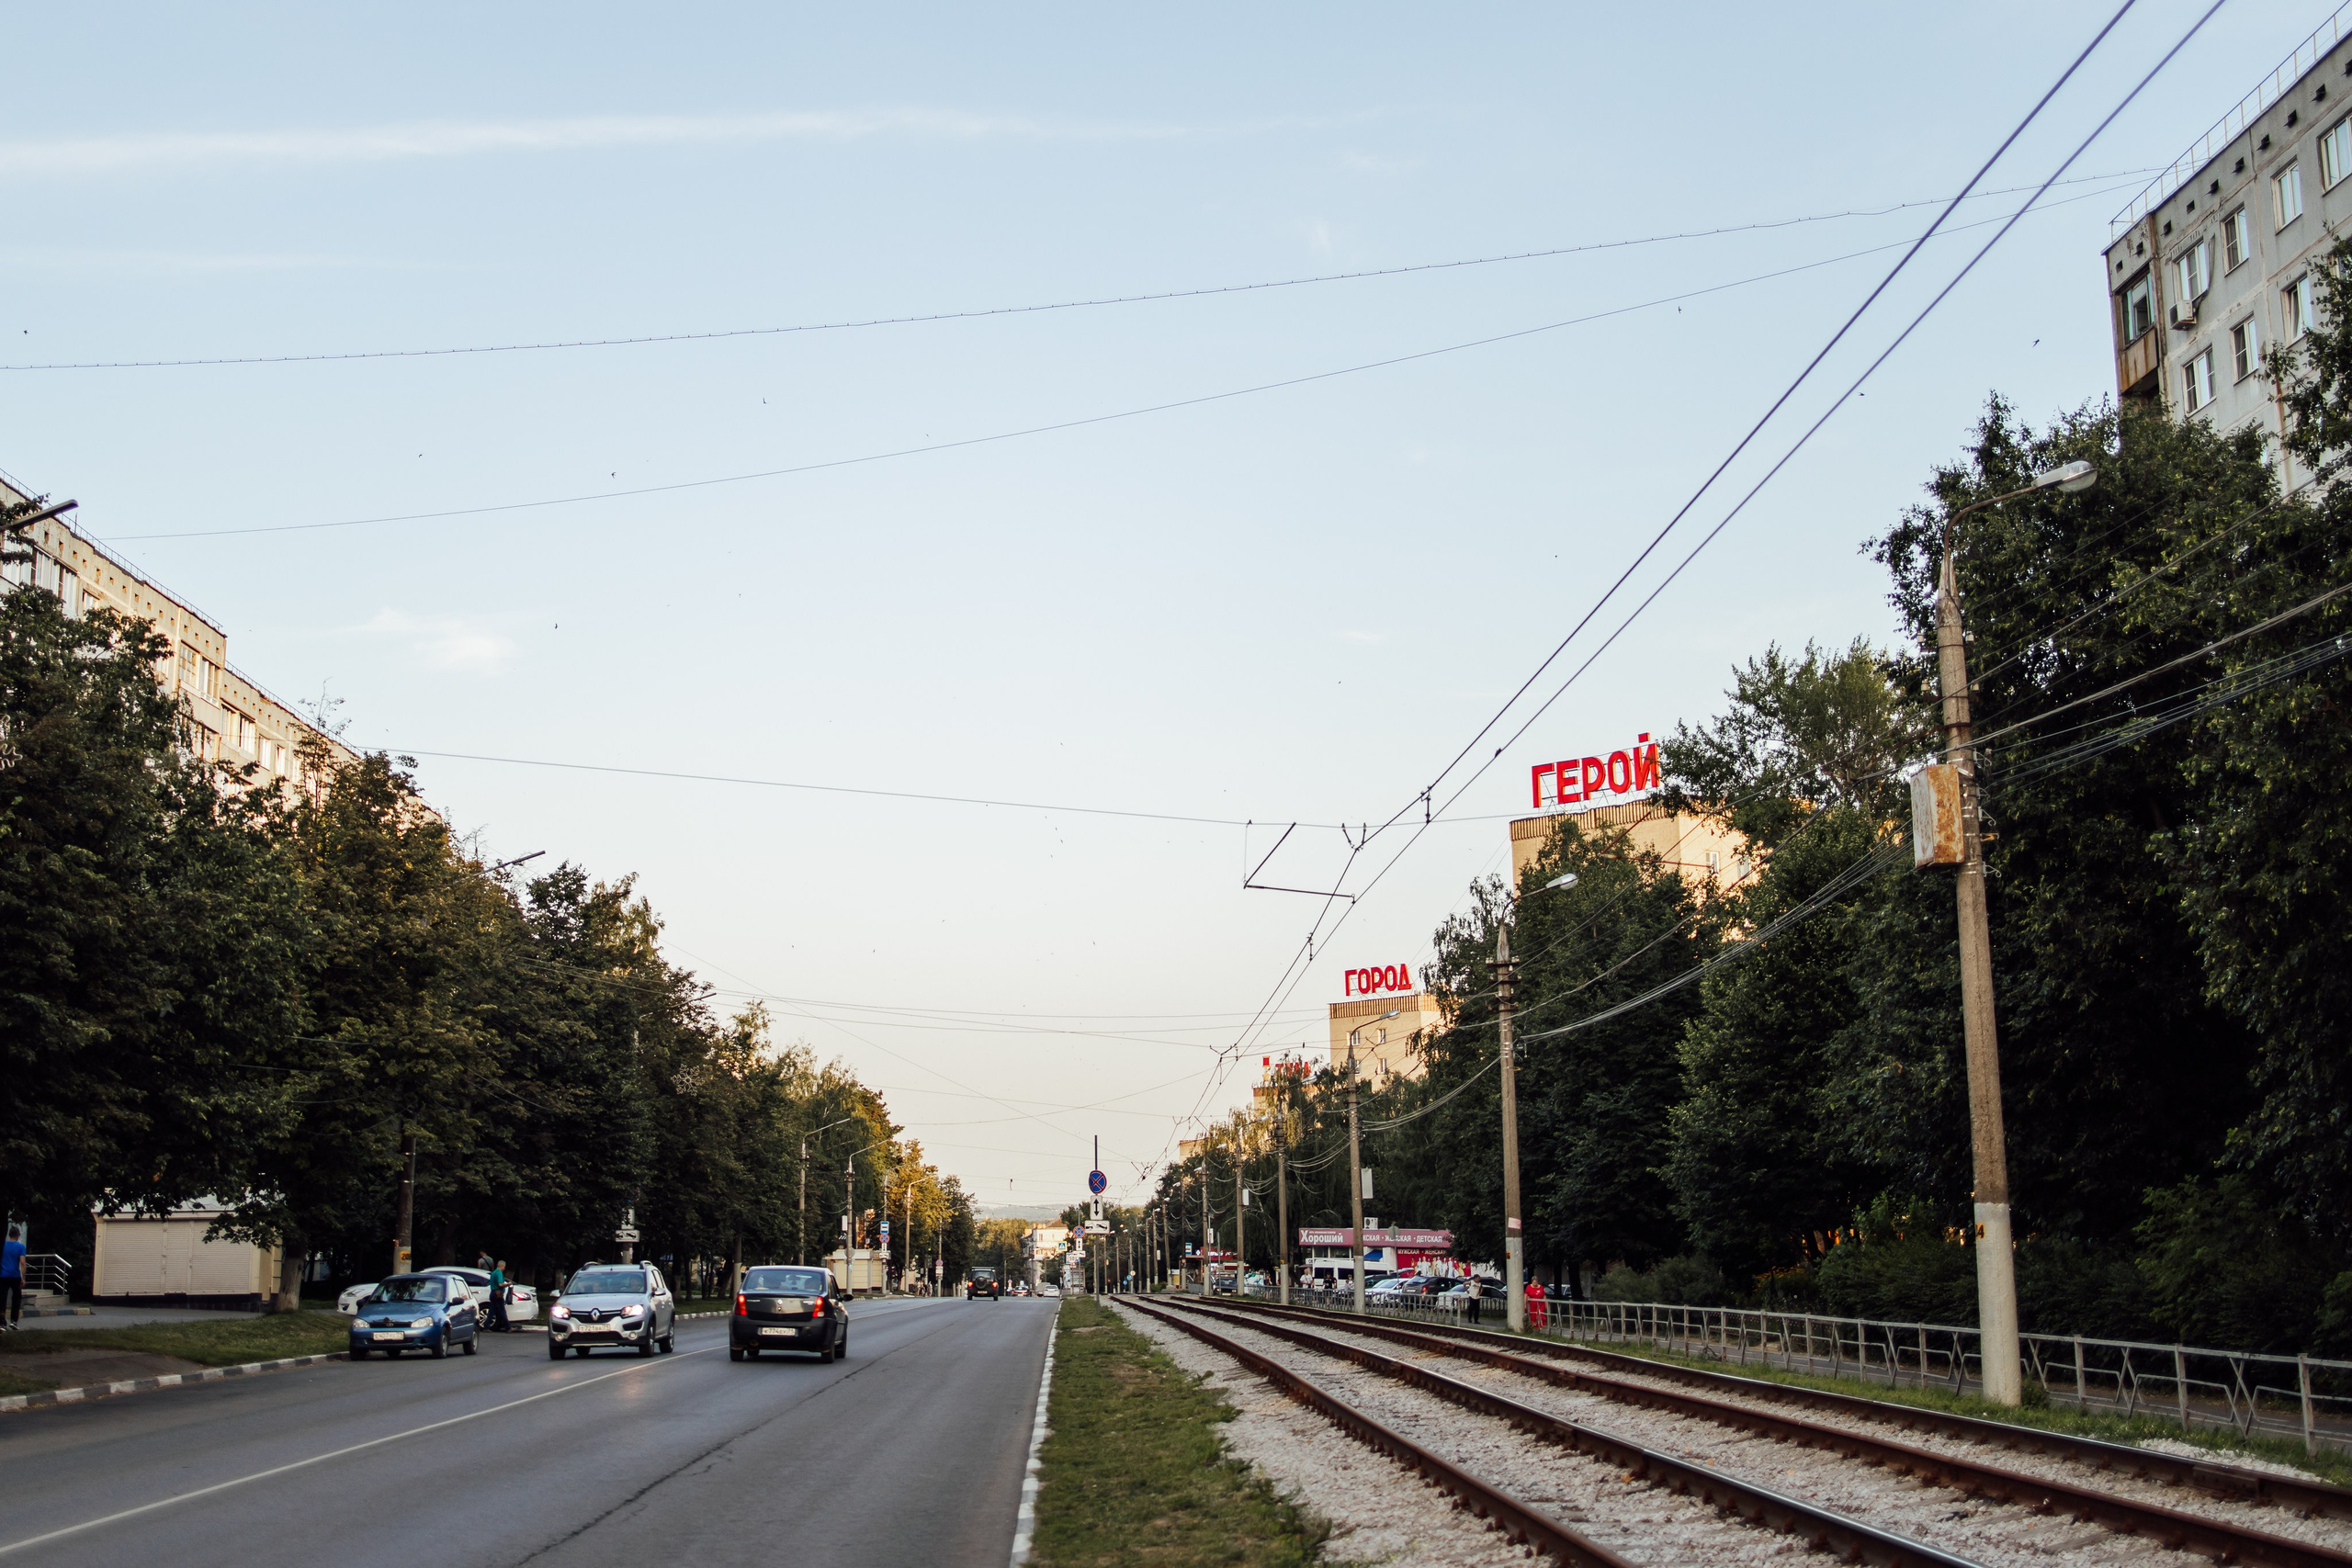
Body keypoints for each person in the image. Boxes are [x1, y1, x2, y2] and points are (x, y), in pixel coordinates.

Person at [1, 1224, 25, 1330]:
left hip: (3, 1276)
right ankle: (14, 1321)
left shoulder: (3, 1246)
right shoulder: (20, 1247)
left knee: (2, 1299)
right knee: (16, 1298)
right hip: (15, 1276)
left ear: (9, 1235)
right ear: (18, 1235)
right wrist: (23, 1278)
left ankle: (1, 1323)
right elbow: (22, 1262)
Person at [487, 1258, 510, 1332]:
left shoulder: (493, 1273)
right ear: (501, 1266)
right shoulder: (499, 1273)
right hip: (498, 1294)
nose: (504, 1268)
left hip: (492, 1293)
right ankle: (508, 1327)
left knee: (492, 1311)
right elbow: (500, 1284)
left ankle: (486, 1327)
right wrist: (508, 1284)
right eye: (504, 1267)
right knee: (502, 1311)